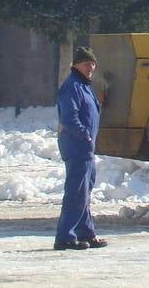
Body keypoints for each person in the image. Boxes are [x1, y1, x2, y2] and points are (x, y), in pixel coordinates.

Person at [54, 46, 107, 251]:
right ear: (76, 65)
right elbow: (69, 117)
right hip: (77, 147)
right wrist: (85, 136)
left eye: (92, 64)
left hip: (85, 148)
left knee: (84, 192)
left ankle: (86, 232)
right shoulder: (72, 86)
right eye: (86, 64)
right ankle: (65, 237)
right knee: (76, 193)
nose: (90, 68)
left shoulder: (84, 86)